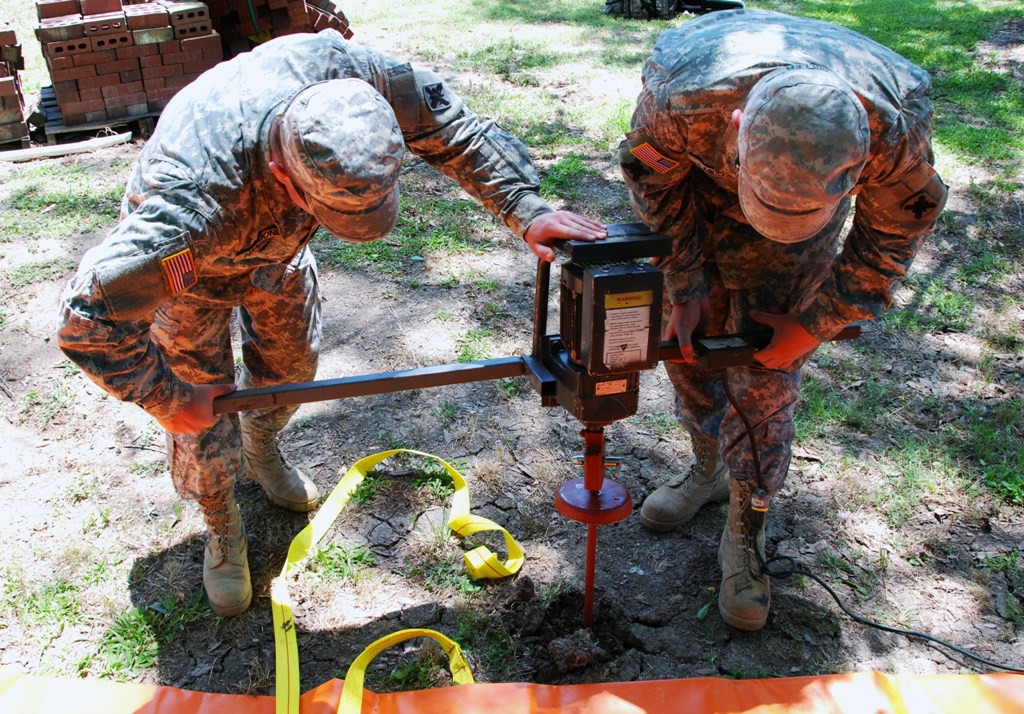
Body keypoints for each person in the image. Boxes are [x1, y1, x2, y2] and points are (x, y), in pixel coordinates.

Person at [57, 29, 606, 617]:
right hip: (191, 276)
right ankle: (220, 521)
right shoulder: (189, 209)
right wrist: (163, 395)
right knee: (201, 414)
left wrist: (525, 209)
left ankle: (260, 444)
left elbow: (449, 128)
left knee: (293, 369)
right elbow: (87, 315)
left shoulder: (351, 80)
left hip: (278, 253)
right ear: (285, 175)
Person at [618, 9, 946, 631]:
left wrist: (816, 322)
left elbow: (892, 239)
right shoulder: (682, 100)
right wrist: (683, 281)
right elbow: (653, 180)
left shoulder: (892, 133)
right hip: (705, 202)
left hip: (801, 248)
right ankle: (709, 470)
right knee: (689, 347)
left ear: (855, 169)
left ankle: (748, 523)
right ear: (737, 128)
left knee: (766, 371)